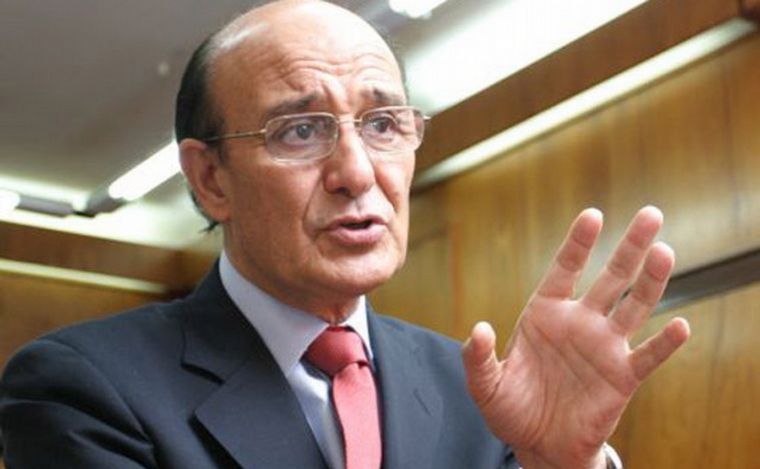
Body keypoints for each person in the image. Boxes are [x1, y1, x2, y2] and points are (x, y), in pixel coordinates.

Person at [0, 1, 690, 467]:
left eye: (383, 124)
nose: (357, 172)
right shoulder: (82, 386)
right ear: (211, 179)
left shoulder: (481, 392)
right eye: (300, 130)